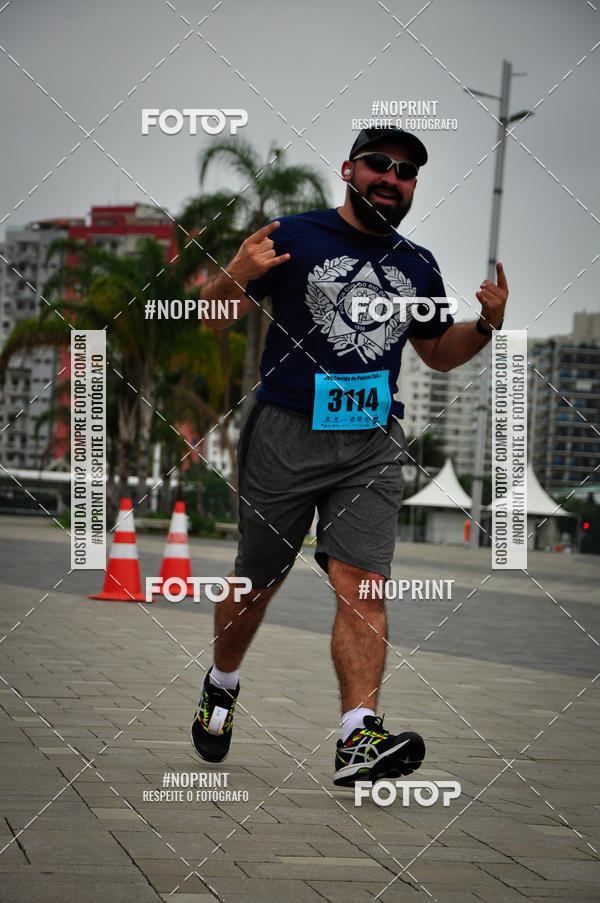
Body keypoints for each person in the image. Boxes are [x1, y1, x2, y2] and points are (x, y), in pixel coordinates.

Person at [190, 127, 508, 785]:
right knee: (255, 583)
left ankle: (357, 738)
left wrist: (483, 326)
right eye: (379, 165)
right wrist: (234, 277)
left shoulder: (418, 264)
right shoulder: (294, 236)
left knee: (364, 587)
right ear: (349, 170)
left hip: (371, 441)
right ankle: (221, 684)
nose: (392, 178)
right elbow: (210, 317)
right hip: (284, 431)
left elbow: (437, 354)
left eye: (407, 172)